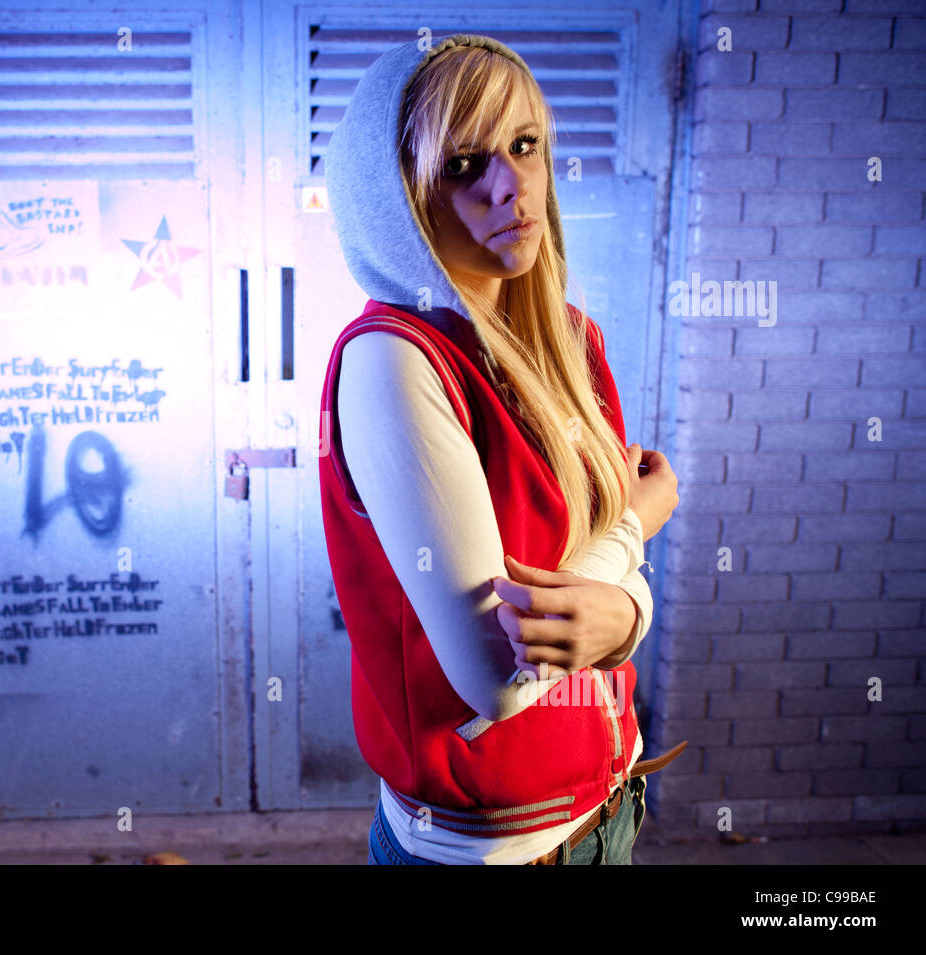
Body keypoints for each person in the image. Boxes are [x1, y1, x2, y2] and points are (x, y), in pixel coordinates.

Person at [318, 33, 686, 865]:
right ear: (398, 197)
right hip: (489, 853)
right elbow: (499, 673)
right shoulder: (394, 360)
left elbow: (598, 587)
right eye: (462, 166)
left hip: (611, 807)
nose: (510, 186)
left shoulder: (570, 340)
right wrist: (637, 532)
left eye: (524, 146)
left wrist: (630, 612)